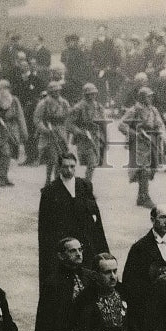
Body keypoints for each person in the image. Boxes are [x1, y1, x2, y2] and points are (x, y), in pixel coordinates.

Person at [37, 152, 109, 286]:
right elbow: (45, 229)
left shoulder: (85, 185)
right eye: (65, 166)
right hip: (64, 248)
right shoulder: (50, 191)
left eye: (72, 166)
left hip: (85, 246)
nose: (69, 170)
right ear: (59, 168)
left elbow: (95, 219)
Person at [118, 87, 166, 208]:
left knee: (151, 167)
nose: (150, 98)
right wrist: (135, 133)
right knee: (143, 168)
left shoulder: (153, 110)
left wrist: (161, 133)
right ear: (142, 97)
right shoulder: (134, 110)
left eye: (151, 96)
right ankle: (145, 196)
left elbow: (159, 123)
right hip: (138, 142)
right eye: (148, 96)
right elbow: (121, 124)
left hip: (152, 141)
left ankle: (141, 196)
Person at [0, 79, 28, 187]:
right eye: (1, 88)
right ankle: (1, 178)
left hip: (12, 130)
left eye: (6, 88)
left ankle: (5, 176)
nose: (4, 91)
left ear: (9, 89)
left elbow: (20, 116)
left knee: (9, 155)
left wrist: (24, 132)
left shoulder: (14, 100)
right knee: (5, 152)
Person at [66, 82, 107, 183]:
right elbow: (69, 124)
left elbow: (103, 123)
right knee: (91, 163)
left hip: (95, 137)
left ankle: (85, 185)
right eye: (90, 94)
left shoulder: (98, 107)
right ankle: (86, 186)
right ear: (85, 95)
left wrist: (105, 138)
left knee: (94, 163)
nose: (93, 96)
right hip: (83, 138)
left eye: (94, 93)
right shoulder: (78, 107)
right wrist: (79, 132)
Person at [33, 80, 71, 186]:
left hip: (61, 133)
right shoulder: (43, 103)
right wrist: (45, 129)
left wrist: (66, 128)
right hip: (48, 134)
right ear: (50, 92)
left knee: (60, 157)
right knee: (53, 158)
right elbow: (37, 119)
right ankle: (52, 180)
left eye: (58, 91)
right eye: (54, 91)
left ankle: (54, 180)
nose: (57, 93)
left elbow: (69, 117)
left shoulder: (64, 103)